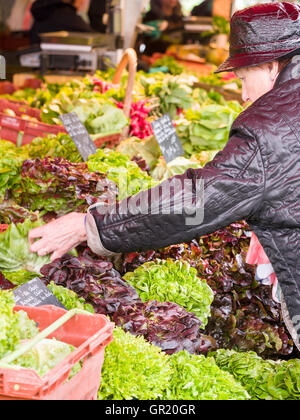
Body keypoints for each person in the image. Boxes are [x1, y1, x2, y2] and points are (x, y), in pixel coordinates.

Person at [29, 2, 300, 349]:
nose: (244, 95)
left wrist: (89, 225)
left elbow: (197, 200)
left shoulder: (269, 127)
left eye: (244, 78)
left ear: (272, 65)